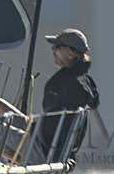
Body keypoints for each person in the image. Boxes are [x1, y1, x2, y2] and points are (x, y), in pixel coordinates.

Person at [37, 28, 99, 161]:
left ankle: (27, 163)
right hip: (49, 145)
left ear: (70, 53)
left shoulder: (70, 82)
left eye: (57, 47)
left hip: (42, 147)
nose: (52, 50)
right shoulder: (84, 81)